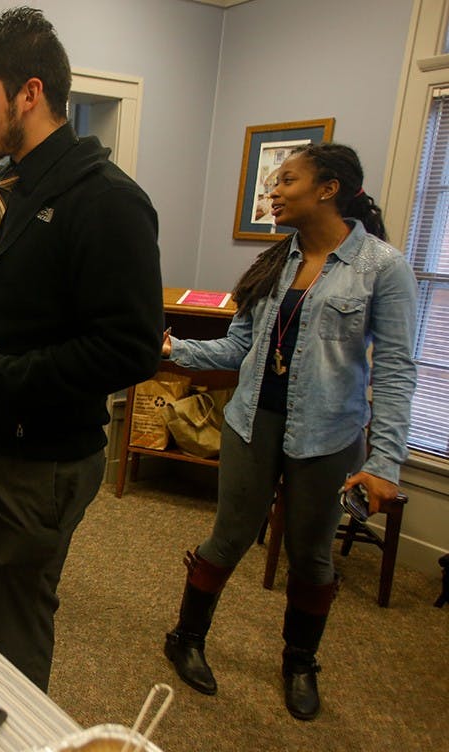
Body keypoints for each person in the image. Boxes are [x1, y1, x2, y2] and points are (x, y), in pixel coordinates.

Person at [0, 7, 164, 691]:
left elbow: (131, 349)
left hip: (43, 461)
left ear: (29, 93)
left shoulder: (109, 202)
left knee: (16, 631)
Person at [161, 142, 417, 721]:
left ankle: (300, 663)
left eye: (286, 181)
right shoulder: (277, 262)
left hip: (329, 432)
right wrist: (174, 349)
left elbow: (399, 371)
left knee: (310, 556)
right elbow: (241, 346)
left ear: (328, 189)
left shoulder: (384, 268)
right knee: (227, 538)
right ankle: (186, 638)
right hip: (253, 420)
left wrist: (383, 463)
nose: (273, 192)